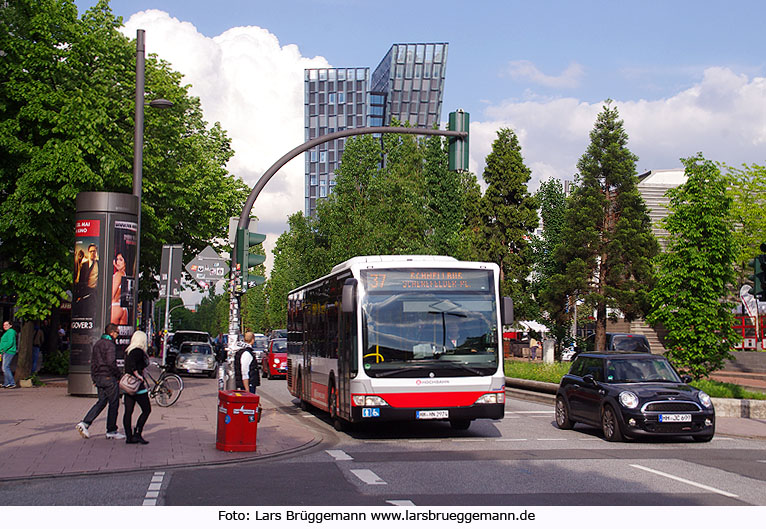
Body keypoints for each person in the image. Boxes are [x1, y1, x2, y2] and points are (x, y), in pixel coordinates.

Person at [75, 323, 126, 440]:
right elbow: (111, 362)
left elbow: (93, 363)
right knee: (114, 403)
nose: (118, 335)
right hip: (108, 377)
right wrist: (119, 375)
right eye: (117, 332)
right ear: (112, 333)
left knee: (102, 401)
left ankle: (85, 423)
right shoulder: (110, 345)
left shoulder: (97, 344)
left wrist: (94, 377)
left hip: (99, 377)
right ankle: (111, 430)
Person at [122, 330, 152, 445]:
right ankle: (138, 433)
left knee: (128, 411)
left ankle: (129, 436)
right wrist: (138, 375)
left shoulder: (128, 350)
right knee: (146, 409)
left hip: (128, 385)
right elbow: (133, 364)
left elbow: (129, 364)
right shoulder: (138, 351)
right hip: (137, 386)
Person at [111, 252, 128, 325]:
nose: (117, 262)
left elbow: (112, 293)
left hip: (115, 307)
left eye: (121, 260)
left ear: (125, 262)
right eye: (117, 259)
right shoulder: (124, 274)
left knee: (111, 333)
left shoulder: (118, 274)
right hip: (123, 308)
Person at [1, 321, 18, 388]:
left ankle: (12, 383)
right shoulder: (8, 332)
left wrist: (3, 350)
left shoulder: (10, 332)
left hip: (8, 351)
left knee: (5, 367)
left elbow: (10, 343)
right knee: (5, 367)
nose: (5, 326)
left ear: (10, 325)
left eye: (6, 325)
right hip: (6, 351)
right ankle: (6, 383)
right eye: (4, 325)